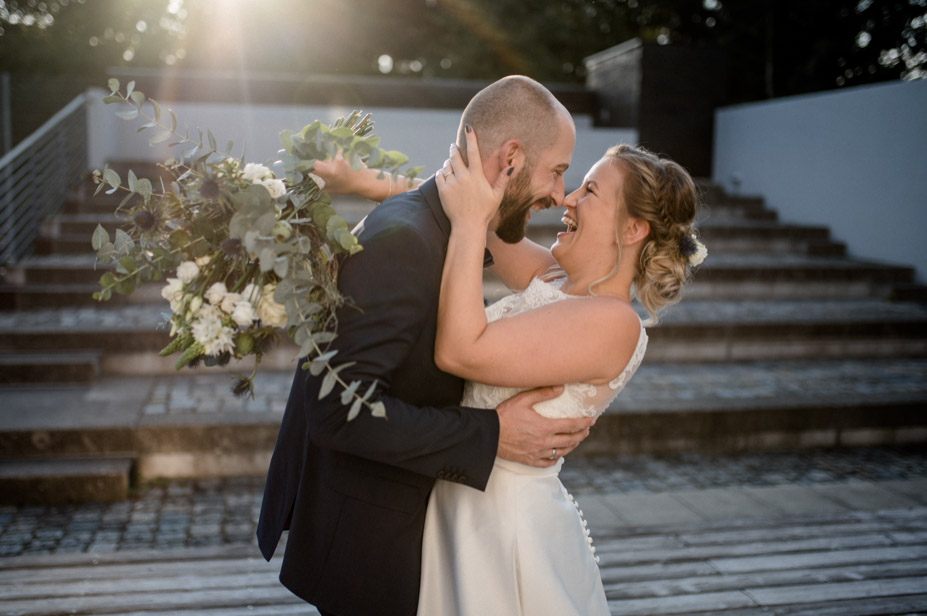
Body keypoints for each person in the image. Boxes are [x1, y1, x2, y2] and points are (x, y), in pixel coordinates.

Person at [324, 125, 704, 613]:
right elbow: (468, 204)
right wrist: (363, 182)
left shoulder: (614, 323)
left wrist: (465, 227)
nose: (568, 198)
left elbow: (460, 350)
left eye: (589, 190)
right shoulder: (552, 276)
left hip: (504, 528)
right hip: (460, 497)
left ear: (632, 229)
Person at [256, 76, 596, 616]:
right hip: (371, 542)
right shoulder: (405, 242)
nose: (559, 193)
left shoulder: (442, 225)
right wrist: (494, 434)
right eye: (557, 171)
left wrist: (370, 183)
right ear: (510, 158)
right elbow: (339, 413)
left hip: (419, 528)